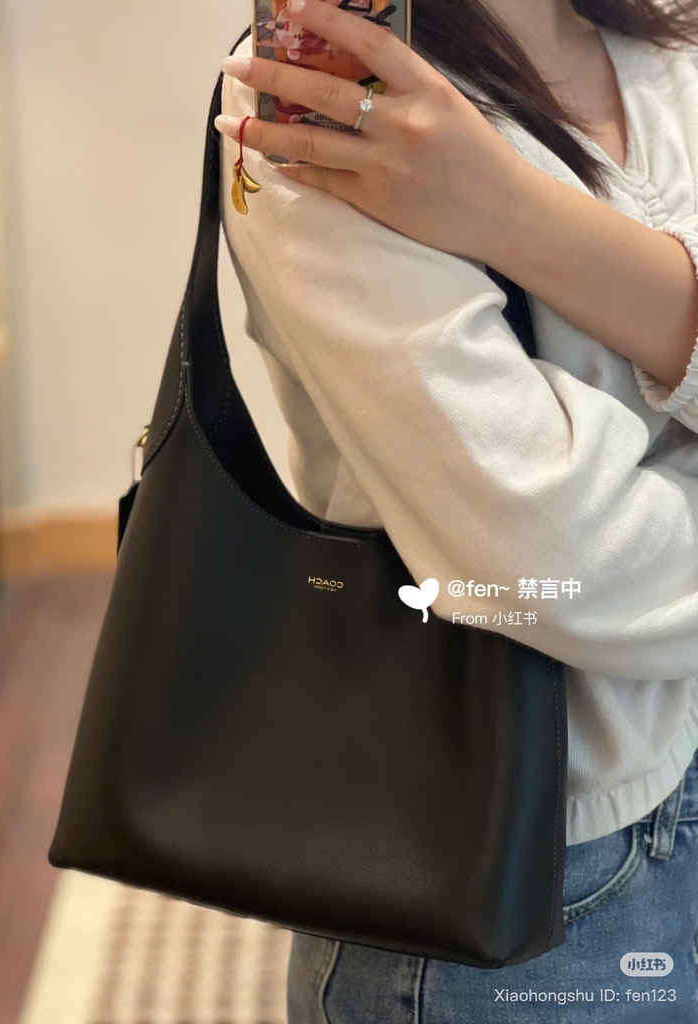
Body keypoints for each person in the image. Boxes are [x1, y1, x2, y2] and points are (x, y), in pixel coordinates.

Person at [214, 0, 698, 1018]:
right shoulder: (321, 85)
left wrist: (509, 211)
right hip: (522, 865)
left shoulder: (670, 44)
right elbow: (555, 557)